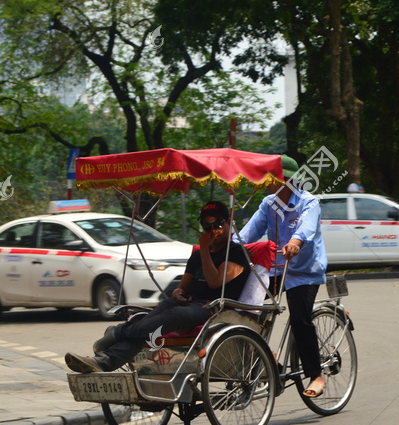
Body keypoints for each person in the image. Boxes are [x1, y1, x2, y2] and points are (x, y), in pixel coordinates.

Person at [65, 201, 250, 373]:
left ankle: (118, 332)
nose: (213, 231)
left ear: (228, 222)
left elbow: (214, 282)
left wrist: (203, 250)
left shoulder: (237, 253)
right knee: (149, 323)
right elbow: (182, 287)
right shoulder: (196, 256)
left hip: (213, 309)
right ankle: (103, 362)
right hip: (188, 304)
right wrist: (178, 293)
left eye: (217, 225)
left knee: (171, 316)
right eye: (207, 226)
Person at [238, 155, 328, 398]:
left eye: (271, 177)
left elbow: (306, 228)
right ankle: (268, 358)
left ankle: (316, 375)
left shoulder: (309, 203)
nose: (266, 182)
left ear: (286, 180)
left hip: (305, 272)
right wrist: (228, 247)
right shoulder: (268, 204)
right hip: (277, 268)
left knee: (300, 318)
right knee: (245, 308)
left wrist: (295, 242)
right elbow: (247, 234)